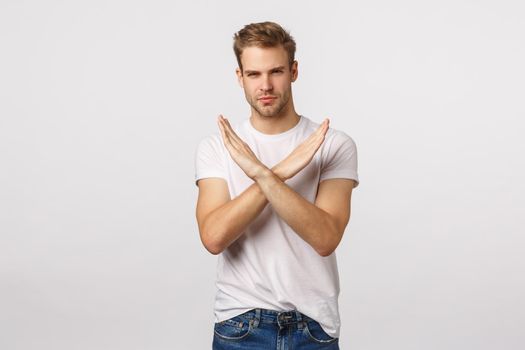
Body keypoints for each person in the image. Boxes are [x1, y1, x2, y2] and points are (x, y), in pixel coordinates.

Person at [194, 21, 359, 349]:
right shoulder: (217, 147)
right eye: (253, 74)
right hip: (240, 322)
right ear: (240, 77)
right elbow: (214, 237)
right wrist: (277, 172)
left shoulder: (332, 144)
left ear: (294, 71)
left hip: (314, 325)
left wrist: (262, 173)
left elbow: (325, 238)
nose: (265, 85)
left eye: (276, 72)